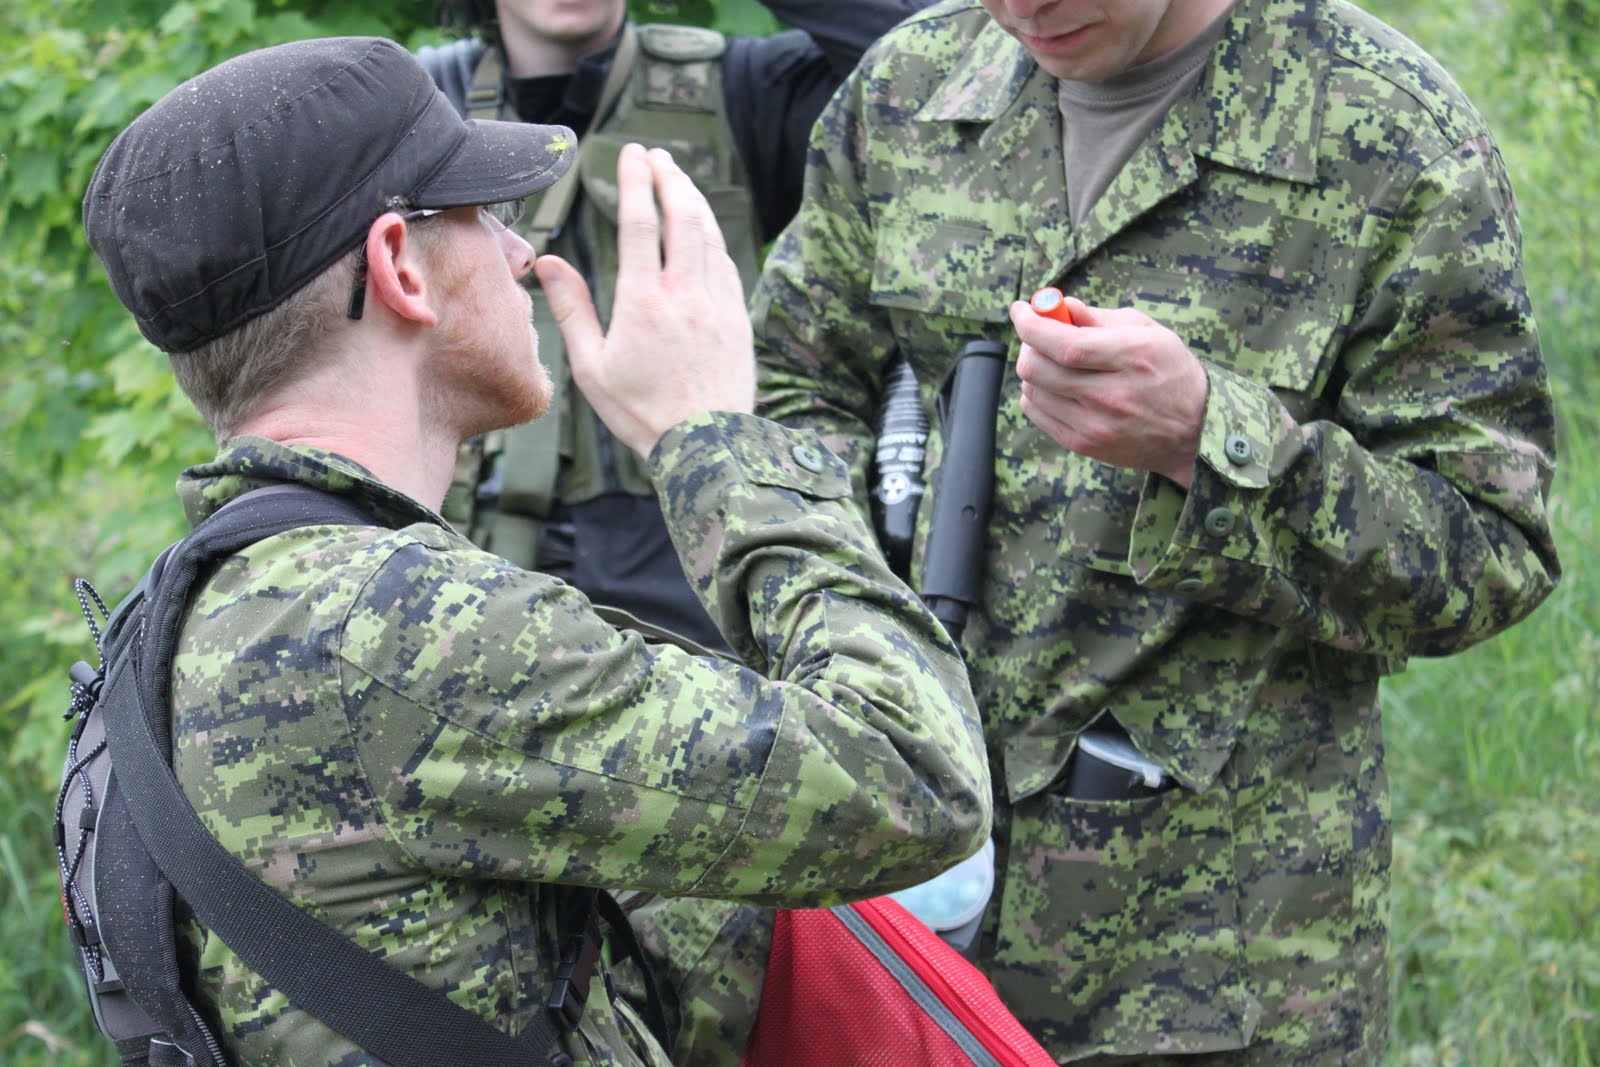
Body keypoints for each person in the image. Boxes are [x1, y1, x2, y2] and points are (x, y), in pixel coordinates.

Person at [79, 35, 991, 1067]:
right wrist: (716, 443)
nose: (522, 256)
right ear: (398, 267)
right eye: (487, 213)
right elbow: (917, 774)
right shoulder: (401, 625)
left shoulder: (181, 623)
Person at [748, 0, 1563, 1063]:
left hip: (1219, 965)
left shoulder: (1386, 131)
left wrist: (1206, 440)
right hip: (898, 912)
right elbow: (792, 388)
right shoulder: (911, 88)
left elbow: (1489, 549)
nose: (1022, 7)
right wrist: (855, 613)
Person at [416, 0, 931, 650]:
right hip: (469, 542)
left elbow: (936, 58)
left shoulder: (738, 86)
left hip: (698, 539)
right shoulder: (420, 103)